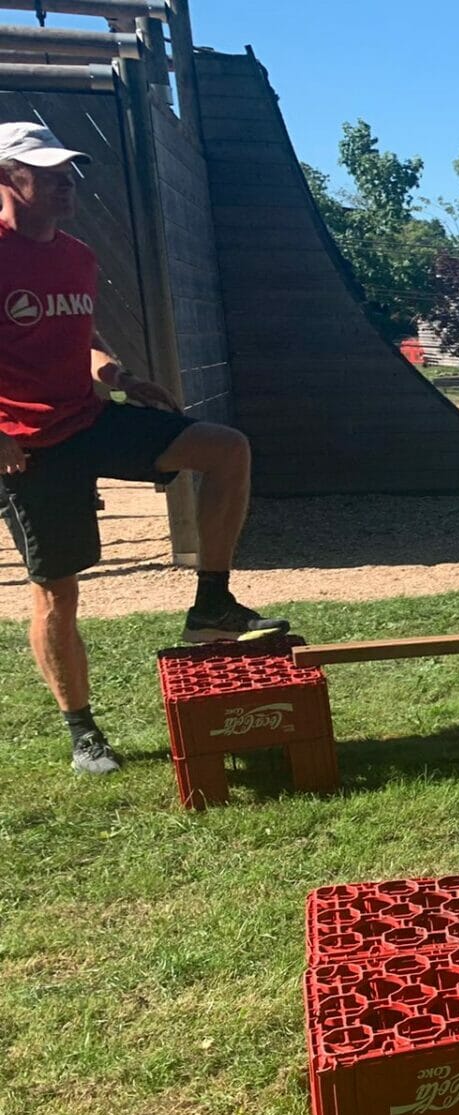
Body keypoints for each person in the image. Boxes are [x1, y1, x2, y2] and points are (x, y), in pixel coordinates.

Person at [0, 122, 287, 777]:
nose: (65, 181)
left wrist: (117, 375)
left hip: (90, 416)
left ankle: (212, 603)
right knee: (56, 595)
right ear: (6, 179)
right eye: (45, 172)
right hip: (29, 448)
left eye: (68, 169)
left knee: (224, 448)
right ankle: (83, 731)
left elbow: (78, 335)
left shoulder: (76, 255)